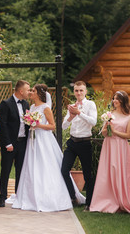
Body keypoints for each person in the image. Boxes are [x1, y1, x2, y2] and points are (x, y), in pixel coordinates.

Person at [12, 84, 85, 212]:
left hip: (44, 140)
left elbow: (52, 126)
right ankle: (30, 196)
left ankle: (50, 197)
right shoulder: (33, 107)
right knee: (32, 166)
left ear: (39, 94)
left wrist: (38, 124)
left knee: (45, 165)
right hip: (32, 139)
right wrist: (30, 123)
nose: (30, 93)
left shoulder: (46, 108)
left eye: (33, 91)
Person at [90, 91, 130, 214]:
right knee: (108, 171)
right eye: (114, 98)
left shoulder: (129, 117)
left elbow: (127, 135)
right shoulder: (109, 114)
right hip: (109, 146)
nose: (114, 101)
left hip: (121, 147)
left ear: (122, 101)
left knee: (119, 170)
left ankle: (122, 199)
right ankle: (107, 199)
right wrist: (107, 127)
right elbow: (104, 134)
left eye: (117, 99)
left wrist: (114, 131)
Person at [61, 81, 97, 209]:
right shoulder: (71, 106)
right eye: (76, 90)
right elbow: (63, 126)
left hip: (85, 142)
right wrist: (70, 116)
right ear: (74, 92)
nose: (79, 93)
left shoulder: (90, 104)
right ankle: (72, 197)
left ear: (86, 91)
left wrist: (79, 113)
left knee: (88, 174)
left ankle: (89, 203)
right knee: (64, 170)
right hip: (72, 142)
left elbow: (93, 121)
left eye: (81, 90)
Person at [0, 80, 30, 207]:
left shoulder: (26, 104)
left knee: (20, 170)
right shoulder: (5, 103)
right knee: (5, 170)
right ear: (21, 91)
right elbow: (2, 125)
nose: (29, 92)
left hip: (22, 143)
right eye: (28, 89)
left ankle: (19, 196)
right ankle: (2, 197)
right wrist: (7, 143)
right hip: (10, 144)